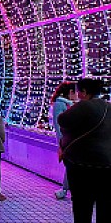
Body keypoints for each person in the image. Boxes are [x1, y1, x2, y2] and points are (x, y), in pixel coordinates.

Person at [58, 78, 110, 223]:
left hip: (83, 166)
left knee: (82, 207)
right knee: (104, 206)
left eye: (78, 91)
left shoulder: (84, 106)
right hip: (107, 166)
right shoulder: (108, 107)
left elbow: (62, 120)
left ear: (84, 92)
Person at [50, 81, 77, 199]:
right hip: (67, 142)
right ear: (70, 92)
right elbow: (58, 125)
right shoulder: (61, 104)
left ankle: (65, 189)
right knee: (71, 165)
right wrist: (62, 143)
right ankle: (65, 189)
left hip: (72, 141)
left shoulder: (69, 104)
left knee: (72, 165)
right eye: (76, 92)